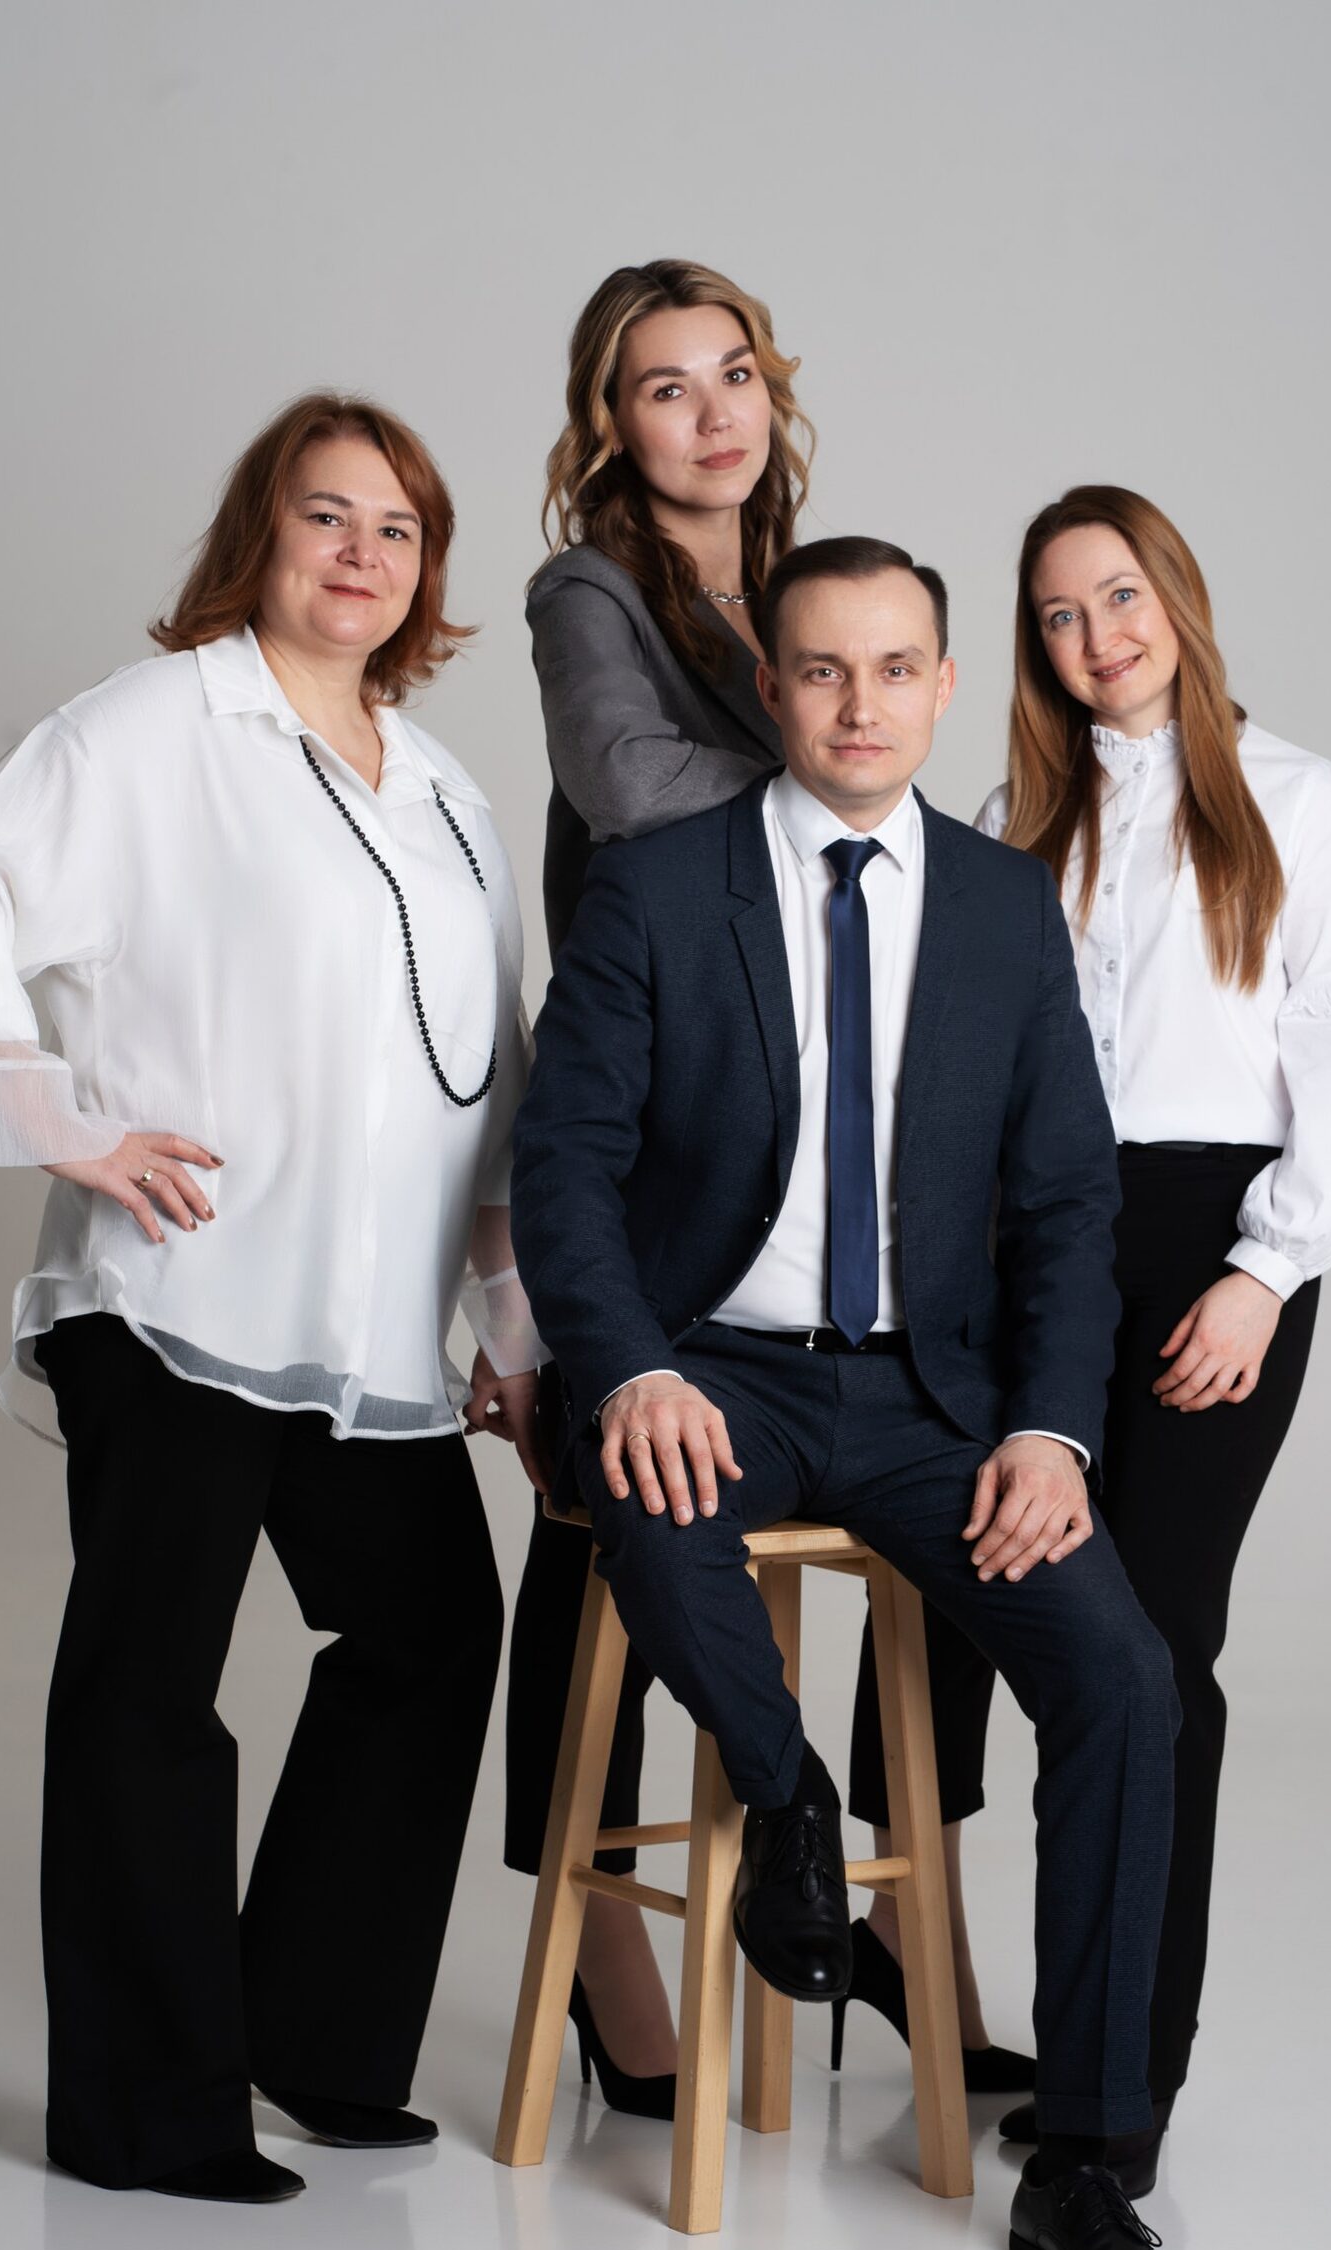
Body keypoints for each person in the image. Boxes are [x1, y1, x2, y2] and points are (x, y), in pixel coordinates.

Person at [512, 536, 1192, 2250]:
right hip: (708, 1367)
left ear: (945, 686)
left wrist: (1050, 1431)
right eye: (822, 669)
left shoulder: (1002, 908)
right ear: (773, 687)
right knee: (652, 1494)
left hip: (928, 1402)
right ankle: (788, 1795)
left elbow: (1066, 1207)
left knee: (1124, 1679)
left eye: (897, 669)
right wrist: (627, 1370)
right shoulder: (658, 889)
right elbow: (565, 1166)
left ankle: (1087, 2164)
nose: (860, 704)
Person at [0, 392, 547, 2205]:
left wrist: (510, 1337)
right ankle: (142, 2112)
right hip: (176, 1294)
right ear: (261, 532)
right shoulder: (160, 722)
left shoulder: (449, 792)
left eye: (397, 528)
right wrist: (62, 1125)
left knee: (431, 1635)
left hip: (362, 1330)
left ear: (426, 569)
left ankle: (312, 2040)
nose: (361, 552)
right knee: (149, 1686)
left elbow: (487, 1087)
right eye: (326, 514)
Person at [848, 485, 1331, 2198]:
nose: (1098, 636)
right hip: (1038, 1242)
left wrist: (1267, 1268)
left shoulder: (1294, 794)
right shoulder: (1022, 820)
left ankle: (1127, 2077)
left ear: (1178, 594)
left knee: (1155, 1653)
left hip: (1213, 1241)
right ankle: (905, 1942)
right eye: (1060, 614)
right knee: (974, 1583)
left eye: (1121, 596)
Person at [504, 259, 814, 2113]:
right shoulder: (591, 590)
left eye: (735, 373)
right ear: (610, 424)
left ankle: (876, 1923)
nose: (711, 413)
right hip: (637, 1107)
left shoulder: (801, 589)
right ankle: (602, 1958)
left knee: (825, 1490)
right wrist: (834, 767)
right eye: (664, 385)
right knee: (603, 1506)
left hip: (780, 1112)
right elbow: (623, 785)